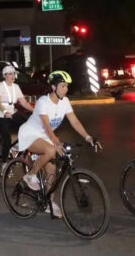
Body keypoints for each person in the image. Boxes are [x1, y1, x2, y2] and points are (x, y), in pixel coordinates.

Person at [18, 70, 102, 217]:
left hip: (45, 137)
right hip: (30, 134)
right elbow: (46, 125)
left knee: (52, 171)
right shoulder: (43, 102)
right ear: (53, 87)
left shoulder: (65, 102)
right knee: (51, 150)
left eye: (67, 86)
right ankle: (30, 175)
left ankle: (49, 203)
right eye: (63, 86)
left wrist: (88, 137)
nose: (66, 89)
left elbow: (74, 121)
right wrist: (56, 142)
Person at [0, 65, 34, 169]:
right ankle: (5, 163)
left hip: (12, 112)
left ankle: (18, 146)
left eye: (14, 73)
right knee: (7, 140)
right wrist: (4, 111)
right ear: (5, 75)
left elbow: (24, 103)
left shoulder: (16, 87)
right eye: (10, 74)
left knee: (28, 126)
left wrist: (36, 111)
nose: (12, 75)